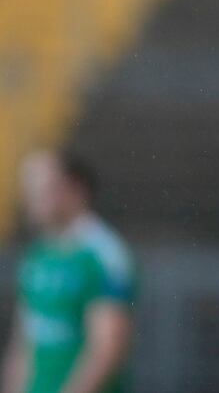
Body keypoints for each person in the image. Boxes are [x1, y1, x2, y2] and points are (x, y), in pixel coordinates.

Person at [1, 150, 136, 393]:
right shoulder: (37, 255)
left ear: (76, 190)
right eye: (30, 189)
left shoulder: (105, 255)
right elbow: (24, 343)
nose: (32, 198)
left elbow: (107, 348)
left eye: (44, 189)